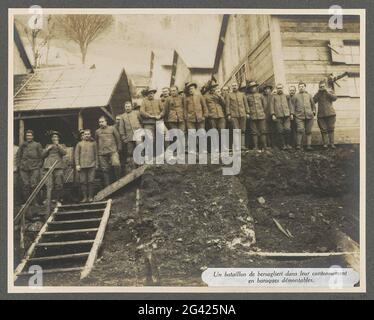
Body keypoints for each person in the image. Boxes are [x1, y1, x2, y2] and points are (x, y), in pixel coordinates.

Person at [16, 130, 43, 204]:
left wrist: (39, 165)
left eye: (30, 135)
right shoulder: (23, 145)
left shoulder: (37, 145)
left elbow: (41, 156)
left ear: (33, 136)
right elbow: (18, 155)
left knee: (33, 184)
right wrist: (19, 165)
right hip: (24, 167)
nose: (28, 137)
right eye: (27, 136)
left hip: (34, 167)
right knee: (25, 185)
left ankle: (35, 202)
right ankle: (27, 202)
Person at [95, 116, 122, 186]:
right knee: (105, 170)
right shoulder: (97, 131)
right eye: (99, 122)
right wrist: (98, 153)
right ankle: (108, 186)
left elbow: (118, 139)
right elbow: (96, 143)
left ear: (106, 122)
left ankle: (119, 181)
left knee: (116, 164)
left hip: (112, 151)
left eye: (102, 122)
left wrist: (119, 149)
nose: (101, 123)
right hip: (102, 153)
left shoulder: (112, 129)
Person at [290, 81, 316, 151]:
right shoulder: (295, 96)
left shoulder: (309, 95)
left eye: (302, 86)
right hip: (299, 116)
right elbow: (292, 106)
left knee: (308, 131)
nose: (301, 88)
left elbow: (313, 104)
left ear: (305, 87)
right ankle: (298, 145)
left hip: (309, 116)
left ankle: (309, 146)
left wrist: (313, 111)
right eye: (300, 87)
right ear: (298, 88)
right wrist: (292, 114)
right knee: (300, 130)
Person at [42, 131, 67, 203]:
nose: (54, 138)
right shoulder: (48, 145)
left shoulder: (62, 145)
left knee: (59, 183)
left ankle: (58, 199)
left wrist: (58, 145)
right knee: (49, 184)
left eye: (56, 137)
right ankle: (49, 199)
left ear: (58, 138)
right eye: (53, 137)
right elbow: (42, 155)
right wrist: (47, 149)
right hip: (49, 167)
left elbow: (64, 153)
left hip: (58, 166)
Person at [313, 80, 338, 149]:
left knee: (331, 129)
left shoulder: (329, 92)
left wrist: (327, 92)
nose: (322, 87)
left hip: (331, 114)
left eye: (323, 86)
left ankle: (332, 144)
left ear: (326, 86)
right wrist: (318, 93)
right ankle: (325, 144)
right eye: (320, 86)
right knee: (323, 130)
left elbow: (335, 98)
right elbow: (313, 101)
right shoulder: (318, 94)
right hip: (321, 115)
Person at [119, 101, 142, 172]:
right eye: (126, 107)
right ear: (124, 108)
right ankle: (133, 168)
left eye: (129, 106)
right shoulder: (122, 116)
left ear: (131, 107)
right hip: (129, 137)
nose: (128, 108)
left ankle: (141, 166)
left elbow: (141, 122)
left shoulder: (136, 113)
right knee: (130, 153)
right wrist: (124, 137)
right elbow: (121, 128)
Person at [75, 129, 98, 203]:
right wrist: (77, 164)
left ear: (90, 135)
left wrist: (96, 164)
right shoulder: (79, 144)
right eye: (85, 134)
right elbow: (76, 155)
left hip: (92, 165)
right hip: (82, 166)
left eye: (88, 134)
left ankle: (90, 197)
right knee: (83, 182)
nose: (87, 135)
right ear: (83, 135)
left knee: (91, 181)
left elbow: (96, 154)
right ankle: (85, 197)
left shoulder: (93, 143)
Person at [225, 82, 250, 150]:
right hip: (234, 115)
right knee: (236, 130)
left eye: (235, 85)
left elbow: (246, 104)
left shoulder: (242, 94)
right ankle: (237, 146)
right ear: (231, 87)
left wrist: (247, 113)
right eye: (233, 86)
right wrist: (228, 114)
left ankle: (242, 146)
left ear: (238, 86)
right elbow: (227, 106)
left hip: (243, 114)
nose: (234, 87)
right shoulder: (229, 95)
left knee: (243, 130)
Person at [245, 80, 268, 150]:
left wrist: (262, 112)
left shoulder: (261, 96)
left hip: (261, 115)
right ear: (249, 89)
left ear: (256, 87)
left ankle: (264, 146)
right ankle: (256, 147)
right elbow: (246, 106)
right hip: (252, 116)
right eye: (251, 87)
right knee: (254, 132)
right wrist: (248, 113)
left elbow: (265, 105)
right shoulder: (247, 97)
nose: (253, 88)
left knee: (263, 131)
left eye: (254, 87)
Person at [270, 83, 292, 150]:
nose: (280, 89)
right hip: (278, 116)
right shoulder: (273, 97)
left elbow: (290, 105)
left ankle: (288, 144)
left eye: (281, 88)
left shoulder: (286, 96)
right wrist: (273, 114)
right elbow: (271, 106)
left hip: (287, 116)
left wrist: (291, 114)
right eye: (278, 88)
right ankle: (283, 145)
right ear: (276, 89)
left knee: (287, 129)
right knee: (280, 131)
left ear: (283, 88)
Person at [262, 84, 274, 148]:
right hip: (265, 116)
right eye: (265, 89)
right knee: (266, 131)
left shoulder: (273, 96)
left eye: (268, 89)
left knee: (273, 130)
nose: (267, 90)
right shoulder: (262, 97)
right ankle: (267, 145)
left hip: (273, 115)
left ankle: (274, 145)